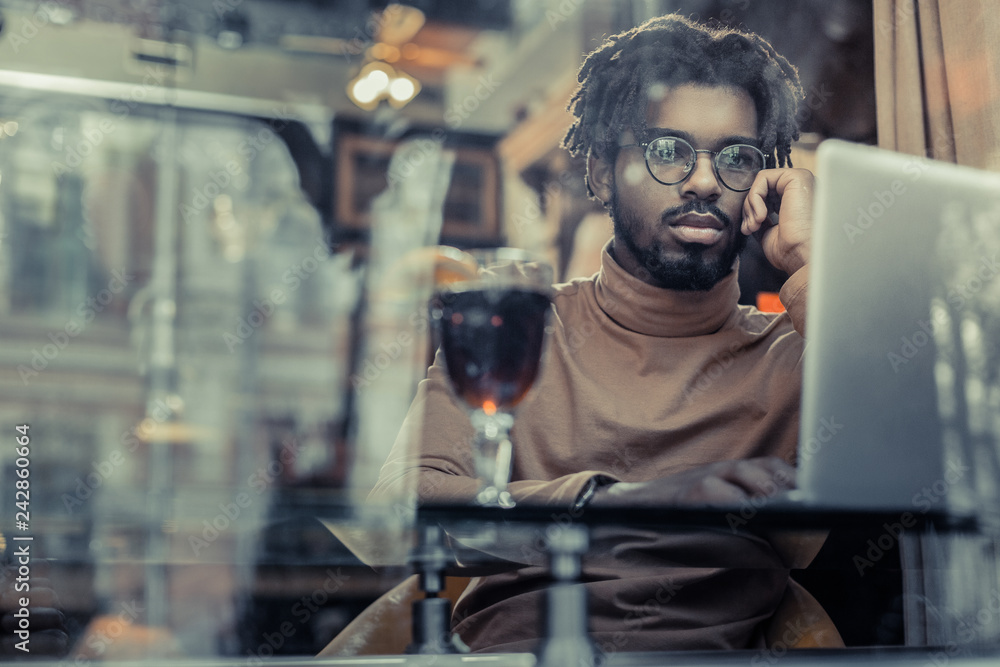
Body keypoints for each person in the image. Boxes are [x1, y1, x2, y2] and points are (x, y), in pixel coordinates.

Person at [363, 13, 818, 654]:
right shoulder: (515, 327)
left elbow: (942, 473)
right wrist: (628, 504)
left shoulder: (797, 353)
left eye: (736, 158)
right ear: (602, 172)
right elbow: (395, 514)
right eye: (668, 150)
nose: (704, 181)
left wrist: (807, 262)